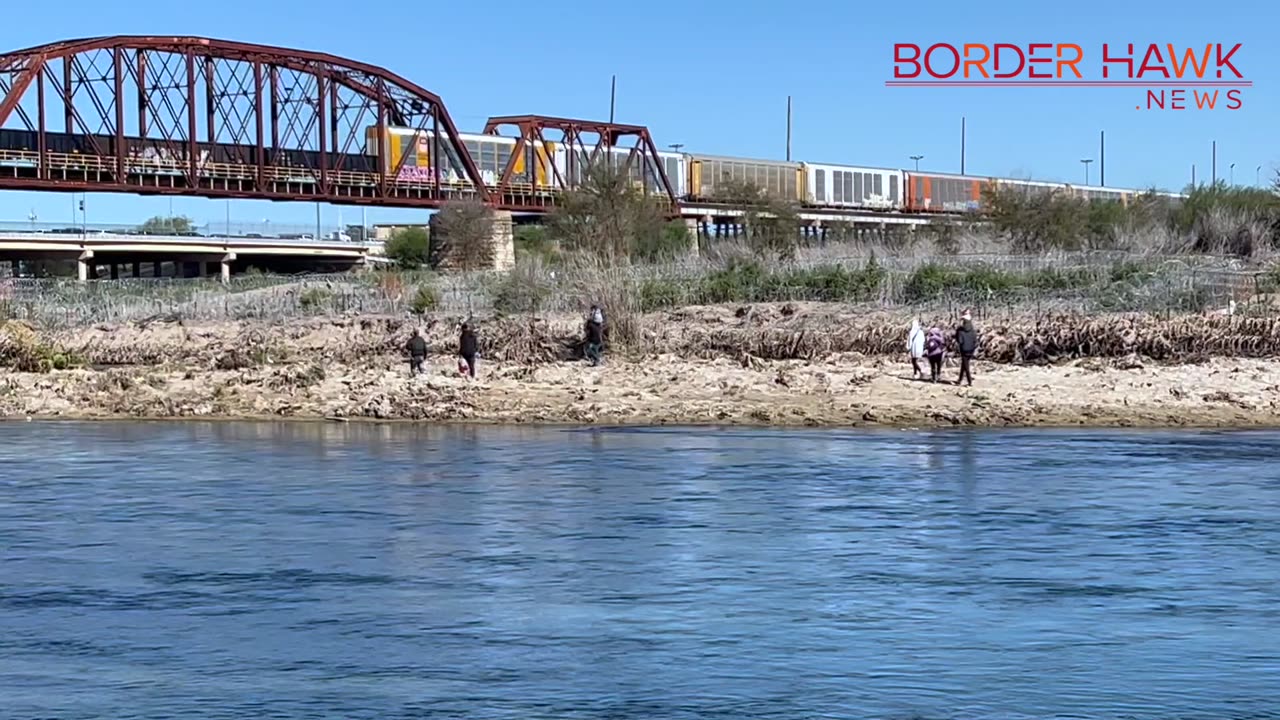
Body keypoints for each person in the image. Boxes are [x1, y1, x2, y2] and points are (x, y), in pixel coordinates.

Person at [955, 310, 979, 386]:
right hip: (971, 349)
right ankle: (960, 380)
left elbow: (959, 341)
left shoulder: (960, 330)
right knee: (964, 364)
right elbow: (975, 340)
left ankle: (969, 381)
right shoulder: (973, 330)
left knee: (966, 366)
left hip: (964, 349)